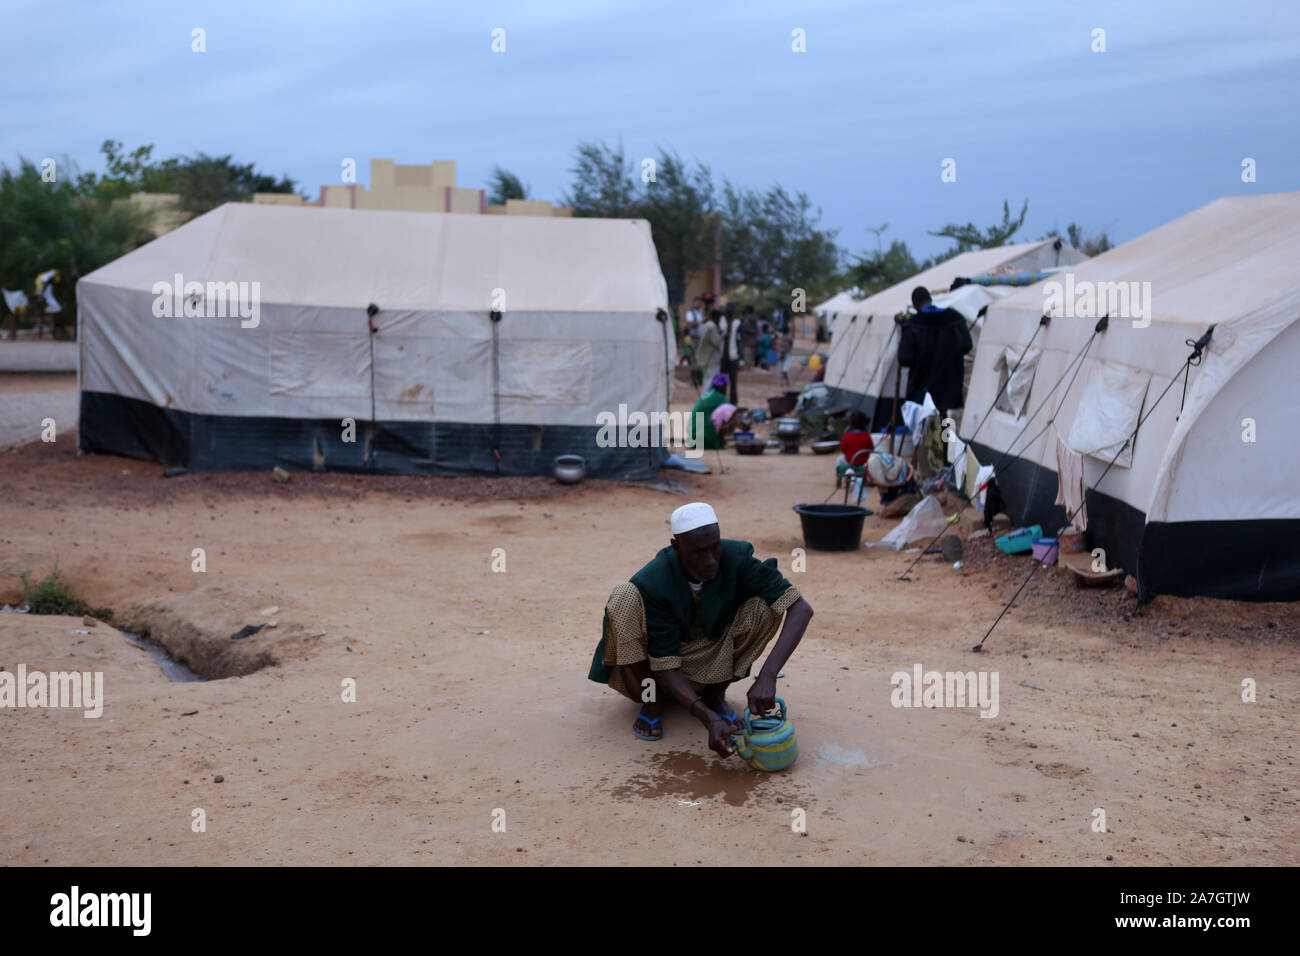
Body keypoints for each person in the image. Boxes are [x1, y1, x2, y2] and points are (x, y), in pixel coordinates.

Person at [587, 502, 814, 755]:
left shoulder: (736, 557)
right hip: (659, 668)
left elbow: (801, 608)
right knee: (624, 596)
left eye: (714, 547)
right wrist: (707, 719)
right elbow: (666, 663)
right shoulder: (655, 580)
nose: (709, 560)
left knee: (766, 605)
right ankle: (653, 698)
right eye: (697, 552)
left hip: (711, 658)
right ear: (676, 547)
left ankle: (715, 695)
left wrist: (768, 675)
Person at [897, 286, 974, 415]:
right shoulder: (954, 318)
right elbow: (966, 345)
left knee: (925, 426)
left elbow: (905, 359)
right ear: (930, 299)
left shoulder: (912, 324)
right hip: (948, 384)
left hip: (921, 386)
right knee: (942, 424)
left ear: (915, 305)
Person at [686, 374, 731, 450]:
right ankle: (718, 441)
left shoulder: (708, 394)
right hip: (701, 438)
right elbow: (731, 414)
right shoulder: (720, 398)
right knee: (728, 418)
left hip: (692, 436)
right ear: (723, 387)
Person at [694, 310, 724, 389]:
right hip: (711, 359)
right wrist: (720, 332)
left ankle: (705, 398)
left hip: (704, 359)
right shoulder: (712, 326)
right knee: (710, 382)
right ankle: (707, 399)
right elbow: (716, 341)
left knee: (706, 380)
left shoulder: (706, 325)